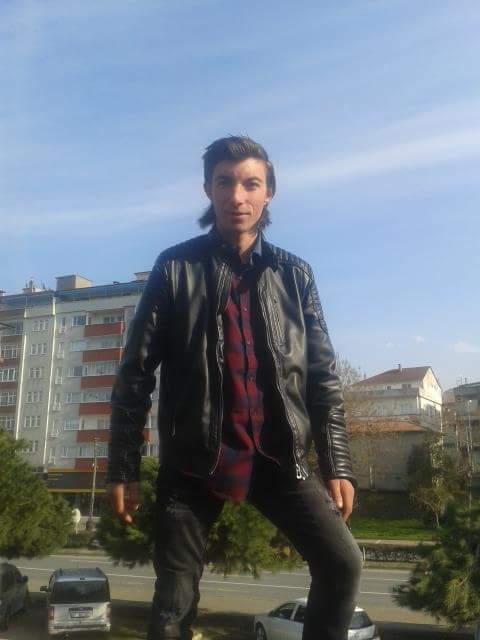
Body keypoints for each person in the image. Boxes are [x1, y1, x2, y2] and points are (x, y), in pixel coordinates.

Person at [106, 136, 362, 640]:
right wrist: (123, 467)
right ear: (208, 189)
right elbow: (135, 374)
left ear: (269, 192)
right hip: (193, 461)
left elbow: (322, 375)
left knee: (344, 563)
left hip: (277, 455)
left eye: (251, 183)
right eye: (224, 182)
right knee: (173, 605)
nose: (237, 196)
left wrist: (338, 463)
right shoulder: (175, 267)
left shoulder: (294, 273)